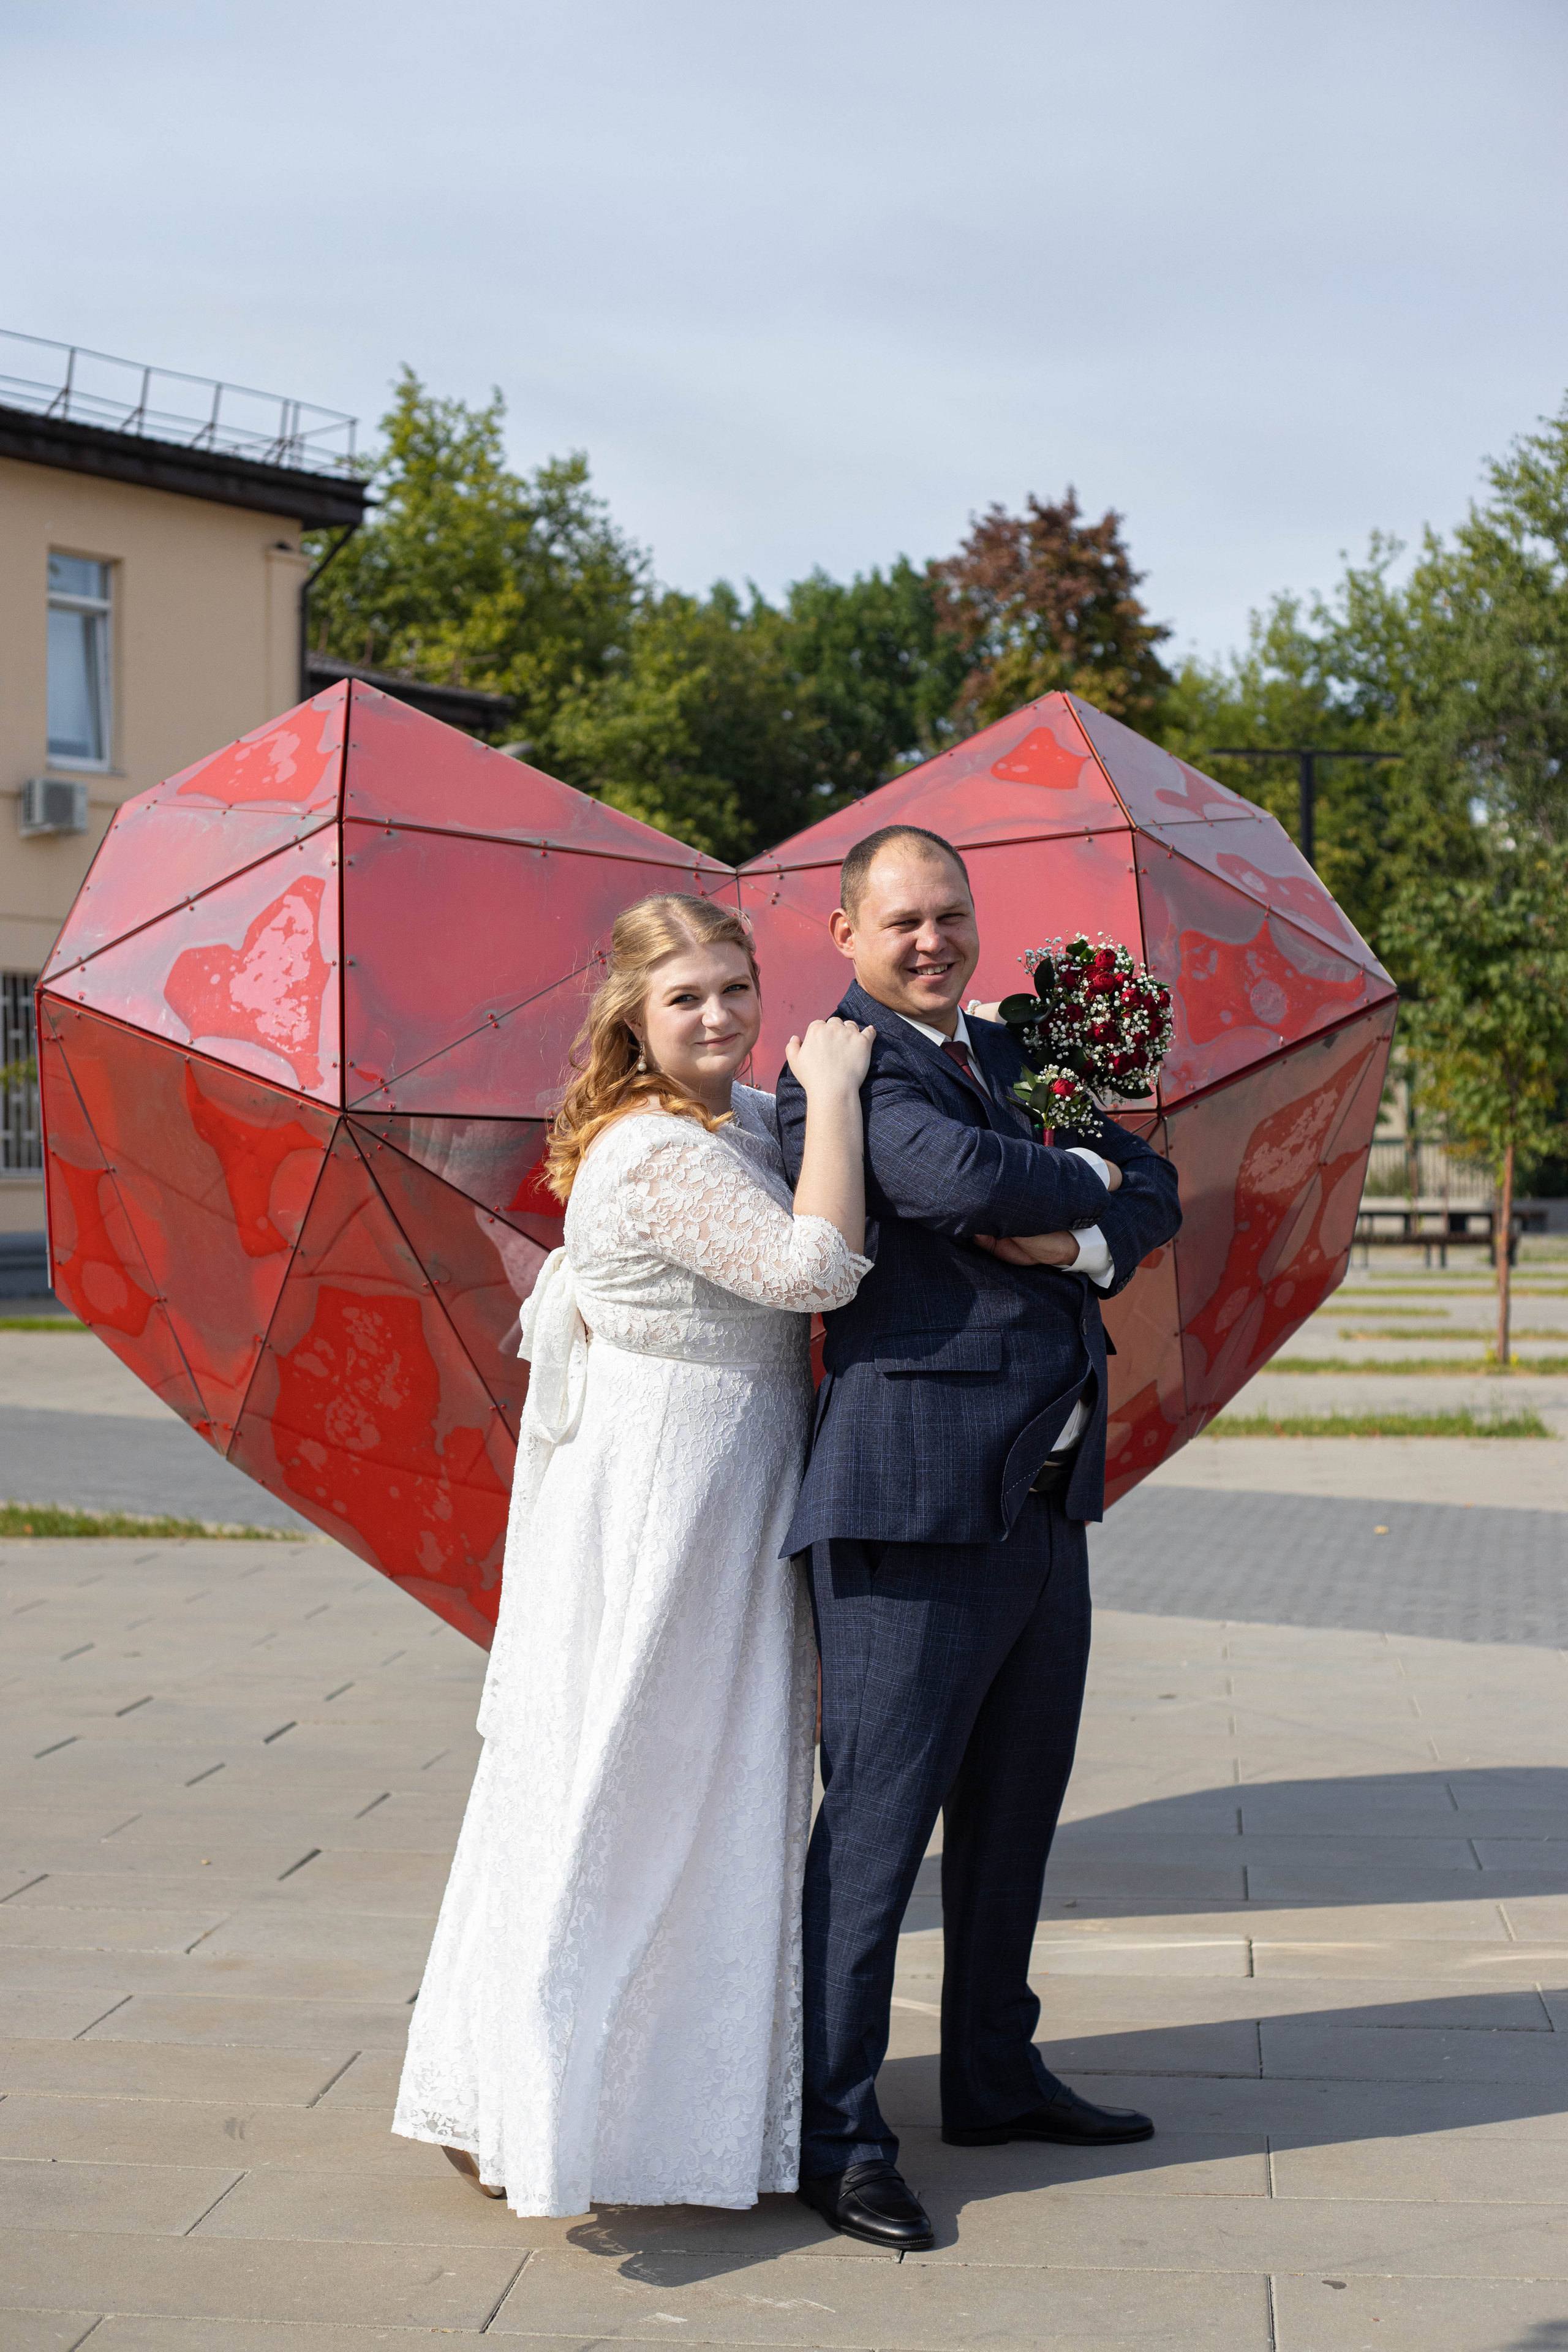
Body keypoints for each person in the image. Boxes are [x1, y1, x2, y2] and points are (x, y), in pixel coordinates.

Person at [394, 893, 875, 2217]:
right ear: (630, 1016)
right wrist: (830, 1081)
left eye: (735, 988)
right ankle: (566, 2090)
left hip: (717, 1476)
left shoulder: (718, 1122)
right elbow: (815, 1268)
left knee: (693, 1783)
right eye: (686, 999)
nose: (720, 1016)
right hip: (673, 1500)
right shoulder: (659, 1154)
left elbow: (790, 1153)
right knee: (641, 1781)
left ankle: (653, 2089)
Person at [774, 824, 1183, 2252]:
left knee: (1015, 1816)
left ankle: (994, 2078)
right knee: (877, 1839)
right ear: (845, 934)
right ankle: (834, 2131)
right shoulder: (843, 1066)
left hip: (1041, 1502)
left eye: (948, 913)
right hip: (909, 1502)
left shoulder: (1014, 1055)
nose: (931, 938)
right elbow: (949, 1184)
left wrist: (1076, 1234)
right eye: (901, 920)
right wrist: (1077, 1183)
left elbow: (1156, 1188)